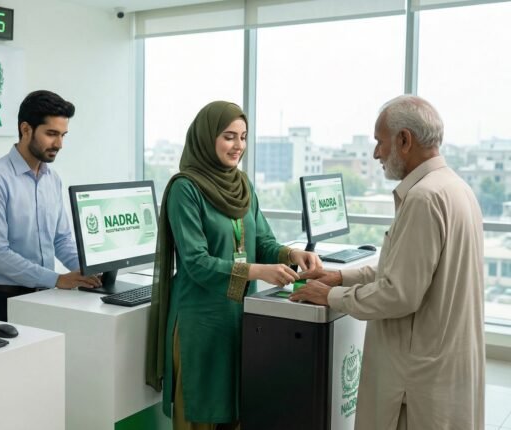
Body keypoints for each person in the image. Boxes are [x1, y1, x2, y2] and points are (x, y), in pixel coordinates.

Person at [290, 95, 484, 430]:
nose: (376, 153)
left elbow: (400, 293)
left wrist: (330, 297)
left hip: (417, 380)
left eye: (380, 142)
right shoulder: (456, 188)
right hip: (446, 368)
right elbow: (405, 267)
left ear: (405, 140)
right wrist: (340, 276)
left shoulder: (424, 198)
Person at [145, 101, 322, 429]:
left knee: (238, 412)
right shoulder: (186, 189)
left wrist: (290, 254)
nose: (238, 145)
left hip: (240, 320)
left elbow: (263, 242)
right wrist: (257, 271)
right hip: (201, 324)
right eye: (229, 136)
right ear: (206, 137)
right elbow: (196, 262)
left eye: (243, 137)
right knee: (200, 413)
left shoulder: (242, 185)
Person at [0, 90, 101, 322]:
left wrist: (89, 270)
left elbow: (61, 240)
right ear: (26, 129)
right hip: (4, 303)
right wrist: (57, 279)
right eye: (51, 134)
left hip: (46, 298)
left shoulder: (52, 178)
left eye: (63, 135)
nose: (59, 144)